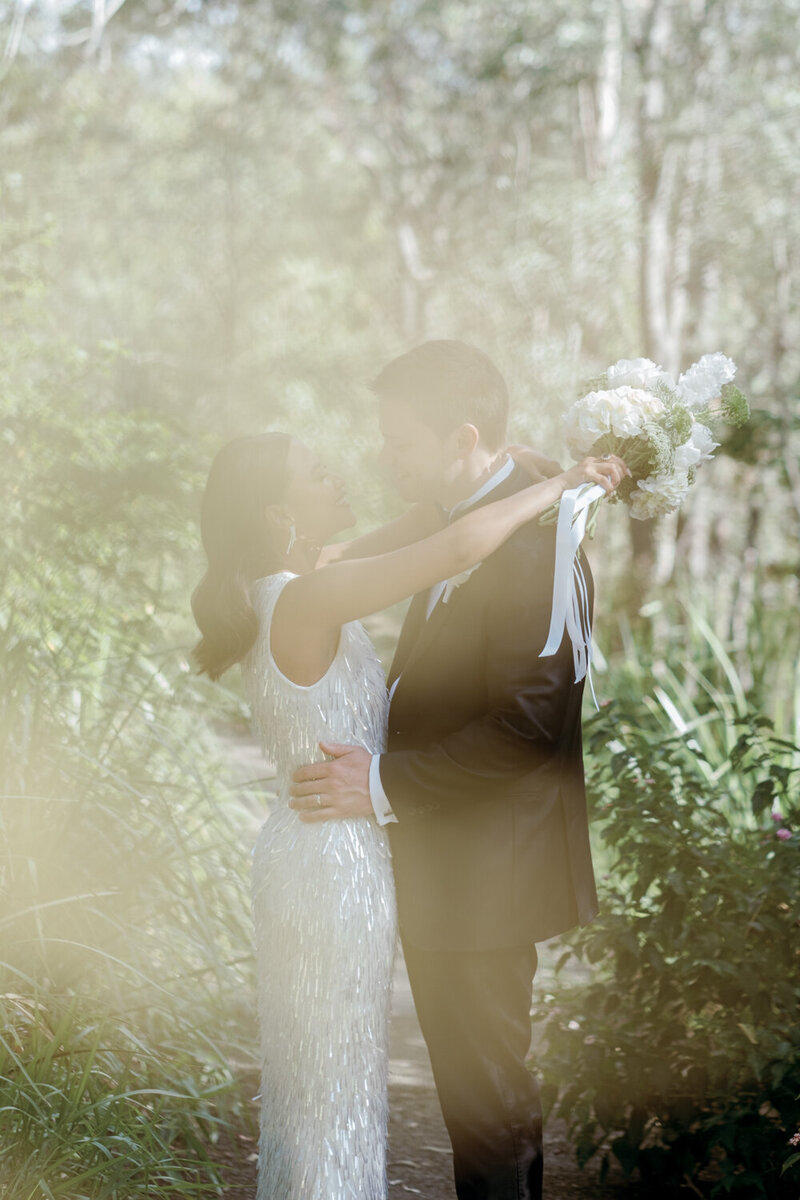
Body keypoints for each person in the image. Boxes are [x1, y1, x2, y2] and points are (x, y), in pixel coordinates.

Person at [191, 415, 627, 1200]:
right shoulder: (311, 593)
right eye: (317, 473)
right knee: (330, 1088)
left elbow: (433, 518)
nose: (340, 476)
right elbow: (455, 547)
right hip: (330, 863)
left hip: (317, 850)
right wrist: (564, 486)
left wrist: (509, 467)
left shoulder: (299, 580)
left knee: (326, 1082)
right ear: (280, 515)